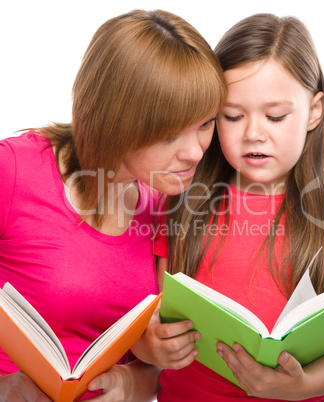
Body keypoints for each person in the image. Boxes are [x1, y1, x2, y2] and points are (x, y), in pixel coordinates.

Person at [145, 13, 324, 401]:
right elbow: (155, 316)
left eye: (275, 116)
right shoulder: (182, 203)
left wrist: (301, 386)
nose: (253, 133)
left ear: (315, 110)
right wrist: (152, 343)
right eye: (233, 116)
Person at [0, 8, 226, 401]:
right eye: (171, 133)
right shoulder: (14, 170)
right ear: (116, 120)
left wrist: (133, 380)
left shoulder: (165, 207)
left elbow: (157, 372)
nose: (195, 151)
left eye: (205, 123)